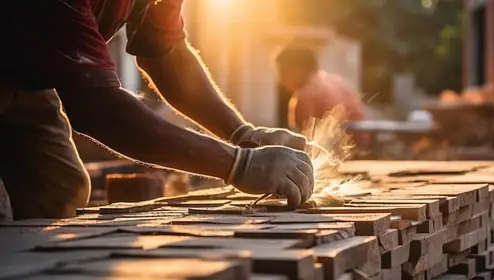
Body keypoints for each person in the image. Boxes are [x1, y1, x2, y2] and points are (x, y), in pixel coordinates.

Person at [0, 0, 314, 220]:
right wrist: (239, 165)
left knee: (59, 190)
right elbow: (98, 108)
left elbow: (165, 53)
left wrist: (244, 135)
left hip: (26, 74)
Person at [275, 44, 370, 150]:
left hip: (339, 155)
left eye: (283, 72)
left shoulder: (306, 96)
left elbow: (301, 145)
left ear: (299, 69)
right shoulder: (337, 81)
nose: (281, 80)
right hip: (364, 148)